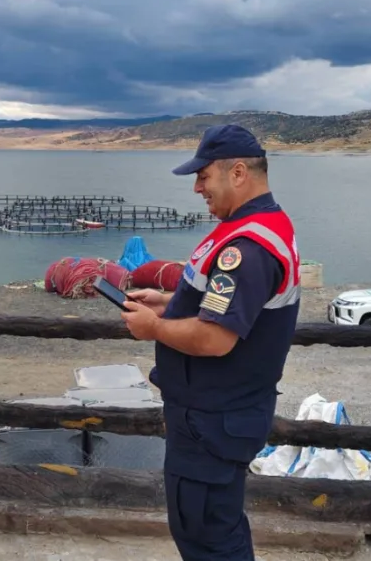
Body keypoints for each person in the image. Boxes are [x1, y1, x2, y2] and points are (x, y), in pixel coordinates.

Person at [120, 124, 300, 561]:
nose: (198, 187)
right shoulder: (251, 226)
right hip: (213, 417)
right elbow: (224, 302)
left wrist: (154, 328)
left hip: (215, 420)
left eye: (203, 175)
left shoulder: (248, 245)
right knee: (210, 526)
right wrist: (168, 301)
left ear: (238, 173)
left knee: (207, 535)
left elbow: (217, 337)